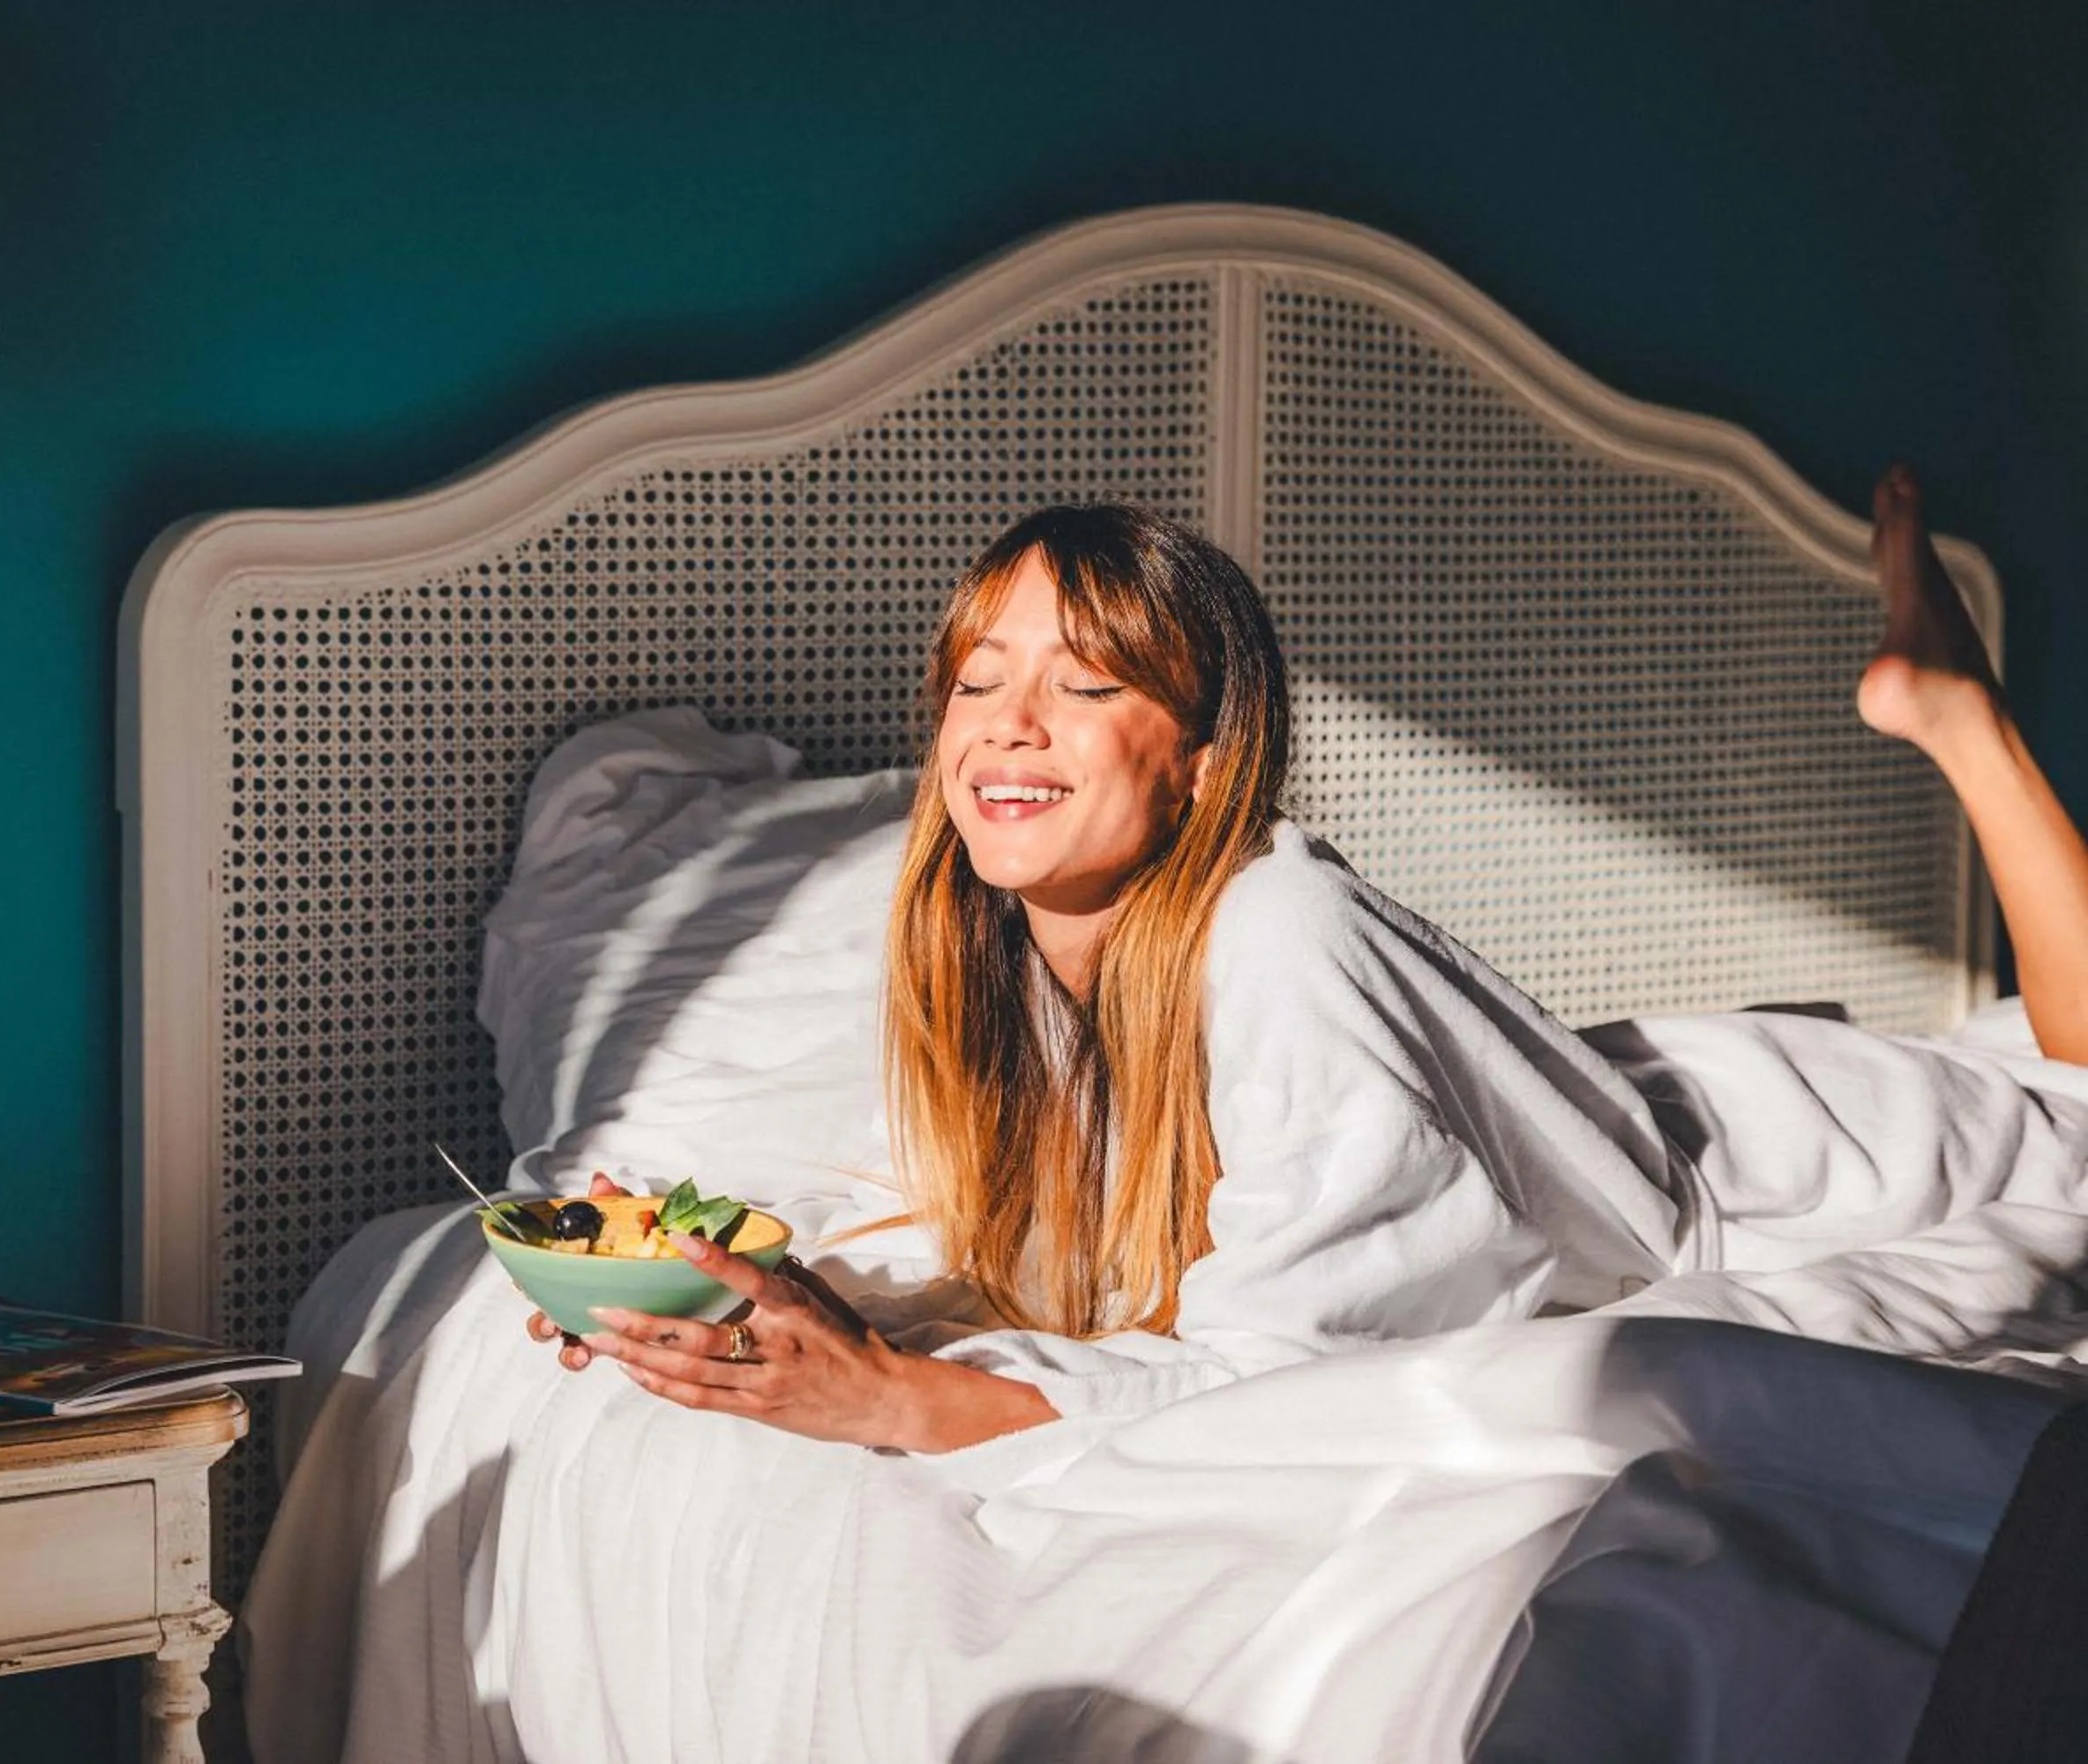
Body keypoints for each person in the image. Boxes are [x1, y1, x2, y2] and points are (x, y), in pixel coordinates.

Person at [528, 472, 2088, 1451]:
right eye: (979, 683)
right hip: (1611, 1094)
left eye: (1080, 686)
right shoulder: (995, 970)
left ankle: (1960, 716)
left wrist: (913, 1403)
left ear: (1203, 763)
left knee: (2073, 1095)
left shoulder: (1276, 924)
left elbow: (1282, 1371)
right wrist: (729, 1297)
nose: (1006, 721)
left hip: (1786, 1147)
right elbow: (1041, 1275)